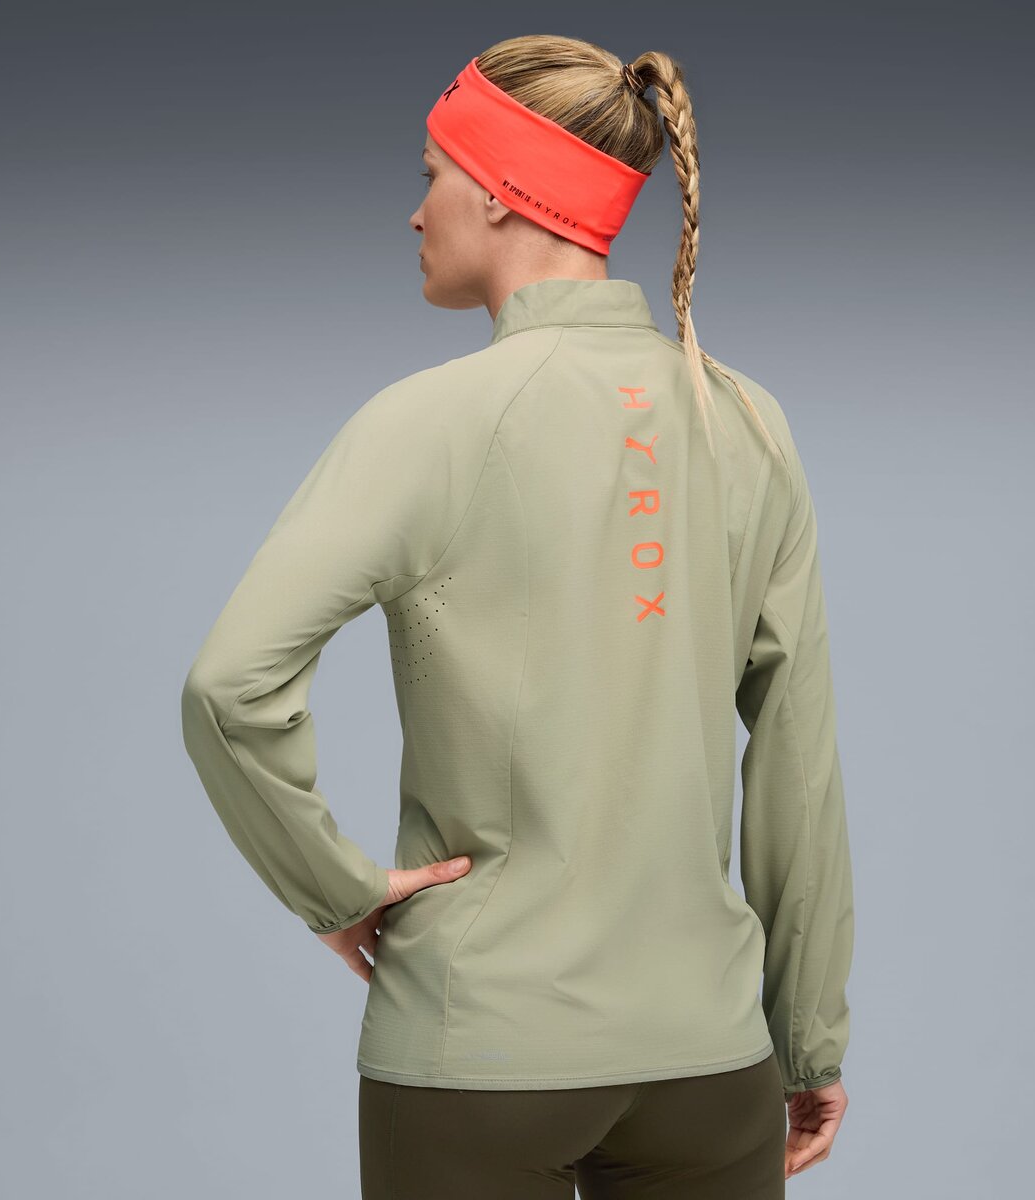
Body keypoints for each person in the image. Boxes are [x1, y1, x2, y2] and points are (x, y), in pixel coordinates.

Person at [180, 33, 855, 1200]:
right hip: (710, 1062)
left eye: (432, 173)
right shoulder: (748, 423)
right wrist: (808, 1042)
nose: (416, 211)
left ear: (500, 192)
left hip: (478, 1051)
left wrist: (332, 889)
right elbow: (797, 764)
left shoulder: (427, 423)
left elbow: (228, 689)